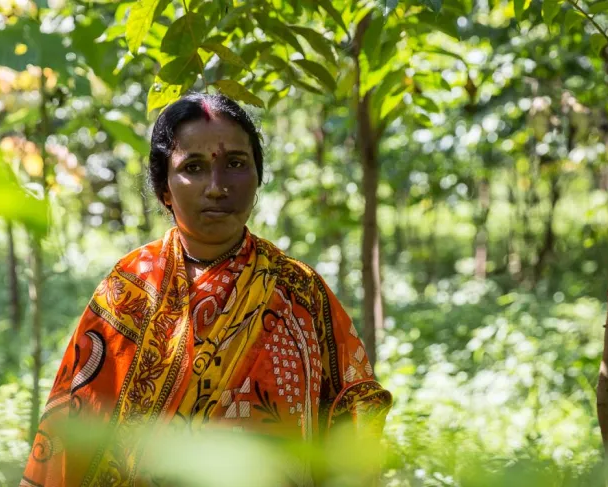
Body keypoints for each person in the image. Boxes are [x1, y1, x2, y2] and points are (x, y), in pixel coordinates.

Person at [20, 93, 391, 487]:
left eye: (235, 163)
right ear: (164, 189)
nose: (217, 187)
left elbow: (354, 411)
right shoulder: (129, 289)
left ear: (258, 176)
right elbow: (74, 426)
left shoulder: (299, 291)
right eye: (193, 167)